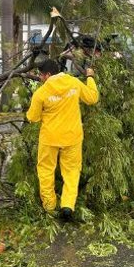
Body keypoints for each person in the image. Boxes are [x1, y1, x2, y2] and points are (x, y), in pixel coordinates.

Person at [25, 59, 99, 221]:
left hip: (49, 138)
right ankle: (67, 206)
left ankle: (50, 207)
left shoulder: (41, 93)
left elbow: (33, 117)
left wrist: (45, 111)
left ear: (48, 74)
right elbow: (92, 98)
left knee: (45, 171)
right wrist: (90, 77)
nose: (41, 78)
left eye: (41, 75)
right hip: (72, 136)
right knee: (72, 172)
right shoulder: (73, 83)